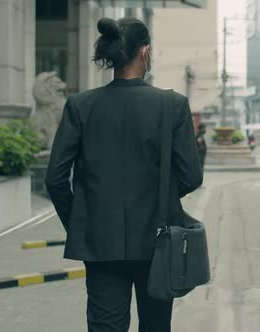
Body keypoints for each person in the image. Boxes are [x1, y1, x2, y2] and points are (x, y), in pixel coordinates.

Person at [45, 17, 202, 332]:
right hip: (158, 239)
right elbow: (191, 176)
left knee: (105, 326)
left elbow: (55, 178)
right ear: (145, 52)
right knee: (156, 326)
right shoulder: (172, 105)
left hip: (99, 240)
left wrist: (80, 221)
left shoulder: (80, 105)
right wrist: (160, 194)